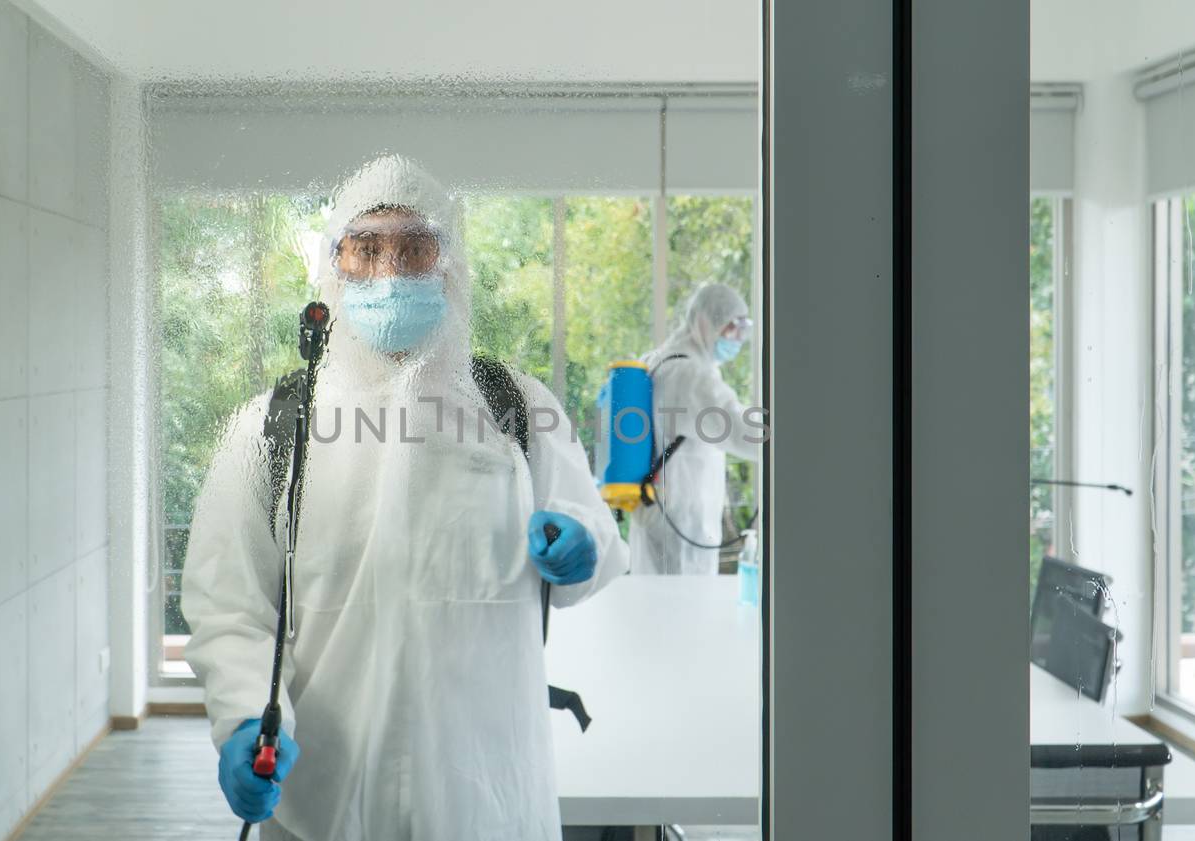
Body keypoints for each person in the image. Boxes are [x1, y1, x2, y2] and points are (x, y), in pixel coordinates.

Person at [182, 154, 629, 840]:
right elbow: (228, 600)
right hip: (321, 803)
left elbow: (596, 538)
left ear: (448, 267)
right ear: (334, 268)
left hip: (486, 794)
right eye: (367, 248)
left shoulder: (514, 408)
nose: (390, 271)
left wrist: (582, 543)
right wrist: (245, 715)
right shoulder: (275, 428)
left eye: (414, 247)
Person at [628, 283, 761, 576]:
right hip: (680, 525)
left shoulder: (660, 360)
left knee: (653, 612)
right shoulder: (689, 376)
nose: (739, 338)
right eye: (733, 328)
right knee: (682, 614)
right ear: (707, 322)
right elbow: (742, 433)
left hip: (658, 516)